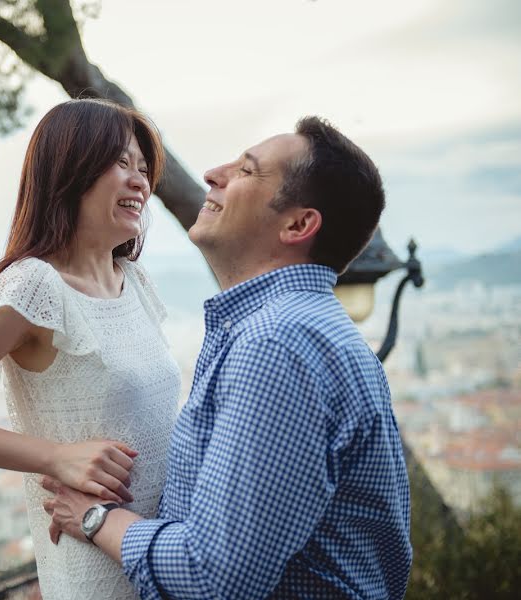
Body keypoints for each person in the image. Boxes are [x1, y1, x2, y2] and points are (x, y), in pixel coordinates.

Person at [42, 116, 413, 599]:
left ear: (299, 224)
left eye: (246, 171)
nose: (213, 174)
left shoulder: (278, 344)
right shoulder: (302, 330)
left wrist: (96, 519)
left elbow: (215, 575)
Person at [0, 99, 182, 599]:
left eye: (143, 168)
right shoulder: (31, 285)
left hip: (160, 554)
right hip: (93, 567)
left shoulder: (134, 279)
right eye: (121, 163)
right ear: (71, 170)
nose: (140, 181)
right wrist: (55, 457)